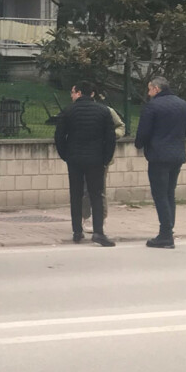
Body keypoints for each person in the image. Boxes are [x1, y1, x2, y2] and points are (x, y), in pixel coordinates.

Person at [134, 76, 186, 249]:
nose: (148, 93)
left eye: (149, 89)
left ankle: (165, 234)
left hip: (158, 155)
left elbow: (143, 133)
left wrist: (140, 144)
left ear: (156, 89)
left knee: (160, 194)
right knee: (170, 192)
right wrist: (176, 138)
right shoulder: (182, 104)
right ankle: (169, 229)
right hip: (177, 154)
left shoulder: (152, 106)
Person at [54, 81, 117, 247]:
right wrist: (106, 158)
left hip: (74, 158)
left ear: (79, 93)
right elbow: (110, 138)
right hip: (96, 159)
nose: (71, 95)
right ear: (93, 94)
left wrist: (65, 155)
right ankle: (98, 232)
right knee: (96, 195)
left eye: (73, 92)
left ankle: (77, 231)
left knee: (76, 194)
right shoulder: (104, 111)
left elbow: (59, 136)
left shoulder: (68, 111)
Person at [80, 89, 125, 221]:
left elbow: (121, 127)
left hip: (102, 156)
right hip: (84, 154)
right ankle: (86, 216)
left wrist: (111, 135)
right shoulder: (81, 111)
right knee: (84, 189)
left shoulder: (108, 111)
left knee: (99, 188)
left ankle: (101, 217)